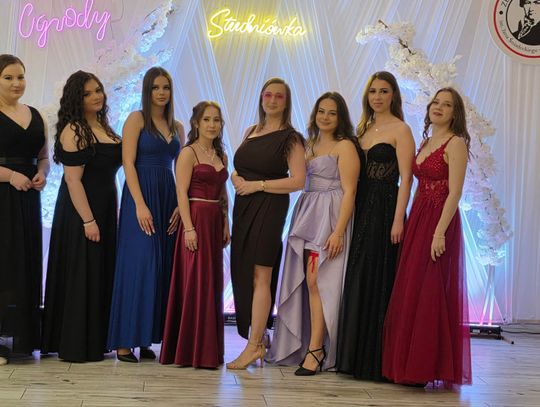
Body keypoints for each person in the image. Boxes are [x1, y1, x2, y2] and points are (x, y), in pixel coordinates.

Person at [382, 87, 472, 387]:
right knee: (412, 286)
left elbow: (455, 192)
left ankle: (426, 366)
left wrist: (439, 233)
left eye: (447, 105)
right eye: (436, 102)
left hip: (439, 221)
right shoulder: (425, 142)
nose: (439, 107)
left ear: (455, 114)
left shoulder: (455, 144)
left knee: (430, 289)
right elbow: (419, 186)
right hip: (419, 218)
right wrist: (407, 219)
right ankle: (408, 364)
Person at [267, 92, 360, 375]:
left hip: (329, 218)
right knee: (309, 281)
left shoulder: (345, 146)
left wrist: (339, 232)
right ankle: (309, 344)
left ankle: (317, 349)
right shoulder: (309, 145)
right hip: (308, 215)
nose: (325, 117)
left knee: (319, 281)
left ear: (340, 117)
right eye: (321, 111)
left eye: (332, 112)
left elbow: (350, 192)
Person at [336, 71, 415, 381]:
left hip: (385, 209)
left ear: (393, 95)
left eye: (384, 91)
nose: (378, 97)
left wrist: (398, 218)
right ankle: (354, 356)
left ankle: (377, 360)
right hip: (360, 206)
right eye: (373, 91)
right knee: (358, 275)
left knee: (380, 278)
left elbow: (406, 179)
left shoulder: (401, 129)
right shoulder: (362, 129)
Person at [41, 71, 122, 363]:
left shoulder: (104, 126)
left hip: (104, 206)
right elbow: (73, 181)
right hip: (80, 212)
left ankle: (96, 340)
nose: (96, 96)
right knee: (83, 272)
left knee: (98, 271)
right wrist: (88, 220)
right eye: (88, 93)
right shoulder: (74, 129)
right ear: (77, 99)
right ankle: (77, 344)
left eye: (98, 90)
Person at [227, 77, 306, 369]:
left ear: (286, 102)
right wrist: (236, 179)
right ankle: (259, 338)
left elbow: (298, 181)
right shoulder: (251, 131)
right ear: (261, 98)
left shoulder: (292, 138)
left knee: (261, 274)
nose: (272, 100)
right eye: (268, 95)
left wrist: (258, 186)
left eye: (279, 97)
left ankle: (253, 346)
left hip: (270, 208)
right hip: (244, 207)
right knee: (246, 272)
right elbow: (238, 168)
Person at [107, 67, 183, 363]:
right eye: (155, 87)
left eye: (166, 87)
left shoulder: (177, 127)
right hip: (140, 196)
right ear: (147, 91)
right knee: (139, 265)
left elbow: (181, 169)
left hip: (167, 197)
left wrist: (180, 204)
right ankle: (124, 342)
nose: (161, 93)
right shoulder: (136, 119)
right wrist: (139, 204)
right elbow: (127, 163)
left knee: (161, 266)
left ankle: (146, 337)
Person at [160, 101, 229, 369]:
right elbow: (181, 192)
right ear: (196, 123)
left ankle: (207, 350)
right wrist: (188, 228)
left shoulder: (221, 156)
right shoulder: (188, 153)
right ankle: (189, 351)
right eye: (207, 120)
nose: (212, 125)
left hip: (214, 220)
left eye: (216, 120)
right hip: (196, 218)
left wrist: (226, 223)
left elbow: (223, 194)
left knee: (211, 284)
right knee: (195, 282)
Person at [0, 54, 49, 365]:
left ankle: (23, 339)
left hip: (29, 198)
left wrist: (42, 172)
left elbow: (43, 156)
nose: (17, 83)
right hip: (2, 197)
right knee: (4, 265)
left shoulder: (35, 114)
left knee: (25, 263)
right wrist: (9, 176)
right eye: (8, 77)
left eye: (20, 76)